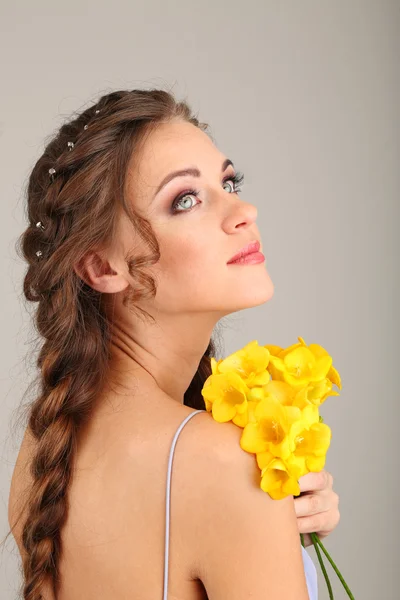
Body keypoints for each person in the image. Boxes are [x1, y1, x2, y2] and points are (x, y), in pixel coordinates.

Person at [6, 89, 340, 600]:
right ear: (102, 267)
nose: (243, 210)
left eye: (229, 182)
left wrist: (281, 532)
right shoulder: (222, 464)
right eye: (185, 200)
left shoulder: (46, 445)